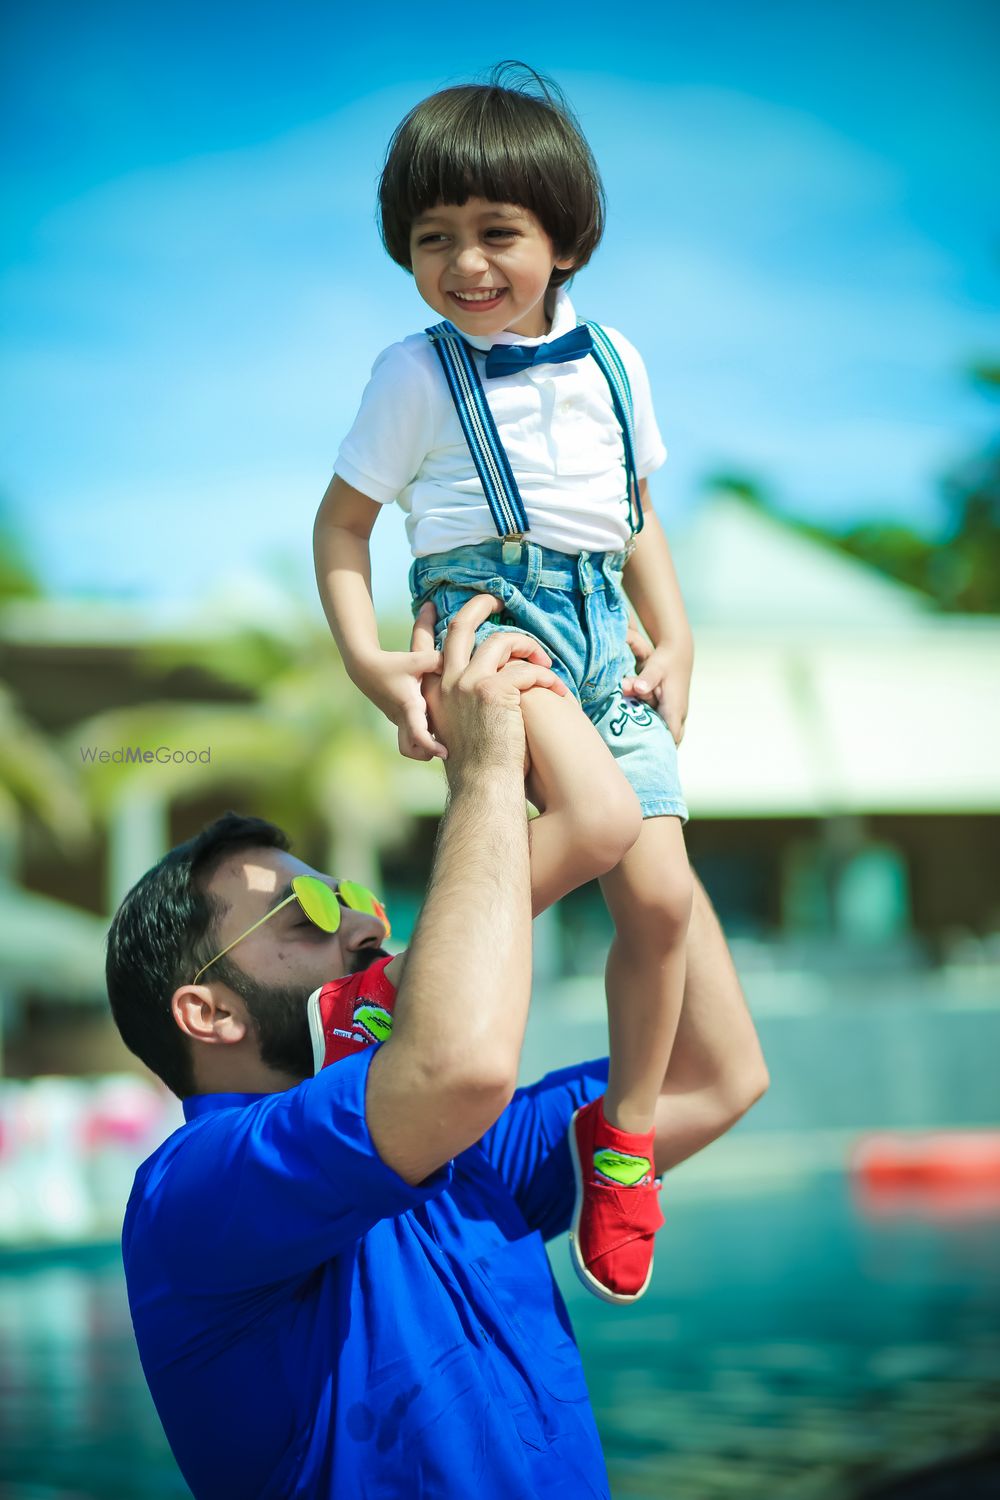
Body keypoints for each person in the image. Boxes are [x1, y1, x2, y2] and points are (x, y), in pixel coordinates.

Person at [108, 598, 768, 1500]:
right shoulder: (193, 1191)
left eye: (350, 898)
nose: (358, 927)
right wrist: (488, 770)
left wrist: (637, 781)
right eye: (305, 915)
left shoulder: (462, 1150)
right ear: (209, 1012)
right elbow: (455, 1064)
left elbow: (713, 1075)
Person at [314, 62, 696, 1303]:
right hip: (489, 616)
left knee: (663, 904)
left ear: (566, 240)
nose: (464, 264)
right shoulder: (413, 374)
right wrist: (374, 660)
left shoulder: (619, 363)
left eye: (497, 234)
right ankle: (395, 980)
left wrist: (673, 636)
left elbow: (634, 515)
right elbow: (340, 526)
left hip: (600, 631)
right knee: (590, 824)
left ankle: (623, 1137)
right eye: (434, 239)